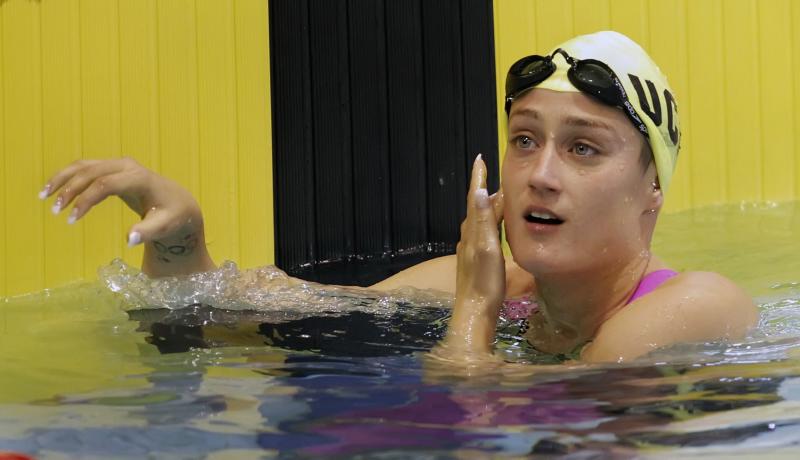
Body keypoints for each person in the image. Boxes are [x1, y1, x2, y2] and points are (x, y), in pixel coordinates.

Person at [40, 31, 757, 363]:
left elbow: (504, 433)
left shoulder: (694, 305)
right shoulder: (498, 285)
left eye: (583, 148)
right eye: (525, 139)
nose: (539, 173)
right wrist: (182, 243)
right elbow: (232, 323)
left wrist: (475, 308)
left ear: (652, 189)